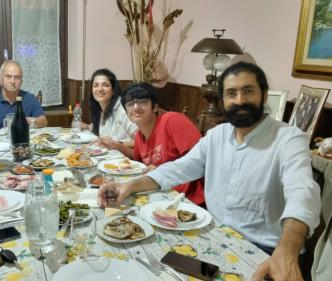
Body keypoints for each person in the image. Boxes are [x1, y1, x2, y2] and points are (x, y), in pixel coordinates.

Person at [99, 62, 321, 281]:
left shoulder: (289, 138)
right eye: (231, 93)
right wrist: (127, 186)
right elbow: (178, 169)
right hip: (216, 236)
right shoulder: (218, 135)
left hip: (267, 251)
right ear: (223, 100)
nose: (240, 100)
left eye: (248, 91)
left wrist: (287, 253)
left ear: (264, 94)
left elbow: (302, 192)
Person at [120, 82, 204, 206]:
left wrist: (162, 171)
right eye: (130, 104)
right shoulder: (139, 136)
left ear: (155, 107)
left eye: (143, 102)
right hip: (161, 196)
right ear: (126, 112)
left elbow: (201, 161)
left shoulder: (172, 121)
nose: (136, 107)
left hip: (189, 201)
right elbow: (138, 166)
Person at [0, 60, 47, 135]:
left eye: (17, 77)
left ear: (21, 81)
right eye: (8, 77)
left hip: (21, 140)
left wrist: (30, 122)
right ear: (0, 79)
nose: (12, 81)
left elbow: (44, 121)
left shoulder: (29, 98)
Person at [83, 68, 137, 153]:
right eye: (95, 85)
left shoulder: (124, 108)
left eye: (105, 85)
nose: (100, 89)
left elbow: (141, 140)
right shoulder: (101, 109)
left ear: (113, 90)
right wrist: (86, 126)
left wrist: (117, 143)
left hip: (127, 160)